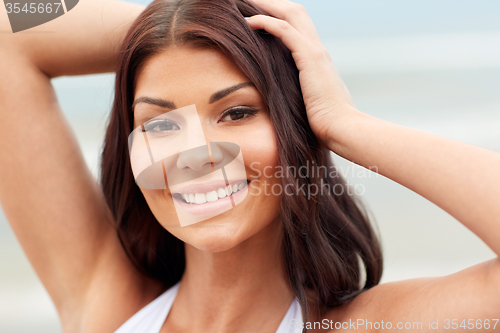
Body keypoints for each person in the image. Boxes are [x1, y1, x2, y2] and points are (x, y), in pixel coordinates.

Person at [0, 0, 499, 332]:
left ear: (294, 130)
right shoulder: (110, 308)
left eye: (237, 112)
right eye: (160, 124)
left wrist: (344, 123)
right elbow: (10, 22)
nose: (194, 153)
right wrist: (186, 16)